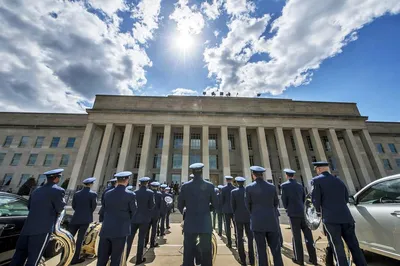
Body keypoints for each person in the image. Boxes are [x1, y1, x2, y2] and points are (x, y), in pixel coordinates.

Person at [311, 161, 367, 266]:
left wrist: (319, 213)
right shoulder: (339, 181)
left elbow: (315, 201)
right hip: (347, 218)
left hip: (331, 219)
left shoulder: (316, 181)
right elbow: (346, 198)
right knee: (354, 245)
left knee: (337, 246)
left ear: (318, 169)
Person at [10, 169, 66, 266]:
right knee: (34, 259)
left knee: (18, 257)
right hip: (42, 230)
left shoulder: (36, 190)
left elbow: (29, 207)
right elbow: (59, 208)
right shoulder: (58, 191)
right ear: (56, 179)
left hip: (27, 229)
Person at [178, 163, 217, 266]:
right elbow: (216, 204)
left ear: (192, 172)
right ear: (201, 172)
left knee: (188, 251)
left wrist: (188, 211)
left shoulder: (185, 186)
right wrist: (207, 210)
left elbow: (179, 205)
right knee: (206, 252)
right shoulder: (210, 186)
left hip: (190, 222)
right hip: (205, 222)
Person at [245, 166, 283, 266]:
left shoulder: (249, 188)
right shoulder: (272, 187)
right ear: (262, 175)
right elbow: (276, 203)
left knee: (261, 251)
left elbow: (247, 205)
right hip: (272, 221)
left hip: (257, 223)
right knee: (276, 251)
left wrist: (255, 214)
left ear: (253, 175)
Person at [97, 171, 136, 266]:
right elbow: (134, 211)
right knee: (116, 259)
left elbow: (105, 209)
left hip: (106, 229)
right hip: (120, 230)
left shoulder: (107, 193)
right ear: (127, 180)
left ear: (117, 181)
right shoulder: (130, 195)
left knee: (101, 259)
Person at [281, 169, 318, 265]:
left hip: (293, 214)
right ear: (293, 176)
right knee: (308, 237)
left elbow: (284, 201)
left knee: (296, 237)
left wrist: (288, 208)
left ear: (286, 175)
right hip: (303, 213)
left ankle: (299, 259)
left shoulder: (284, 186)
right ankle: (313, 259)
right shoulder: (300, 186)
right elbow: (304, 199)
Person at [69, 177, 97, 265]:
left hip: (75, 218)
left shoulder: (77, 193)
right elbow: (93, 207)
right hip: (85, 219)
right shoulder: (93, 194)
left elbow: (74, 205)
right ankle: (75, 259)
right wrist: (87, 212)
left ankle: (65, 256)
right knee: (80, 239)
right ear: (91, 184)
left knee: (70, 238)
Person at [126, 177, 154, 265]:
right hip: (144, 219)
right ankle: (139, 259)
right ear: (147, 183)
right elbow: (151, 206)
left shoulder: (134, 193)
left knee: (129, 240)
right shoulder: (150, 193)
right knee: (141, 239)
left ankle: (124, 258)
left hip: (134, 219)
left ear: (140, 183)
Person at [231, 177, 254, 266]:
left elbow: (233, 206)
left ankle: (242, 259)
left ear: (237, 183)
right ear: (243, 183)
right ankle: (252, 259)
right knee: (250, 238)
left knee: (239, 238)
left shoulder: (234, 192)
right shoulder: (248, 190)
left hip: (238, 217)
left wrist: (235, 214)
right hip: (248, 217)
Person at [221, 175, 236, 248]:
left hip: (226, 210)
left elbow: (222, 200)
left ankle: (229, 242)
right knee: (236, 226)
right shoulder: (235, 188)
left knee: (227, 226)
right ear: (231, 180)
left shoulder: (223, 189)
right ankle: (237, 241)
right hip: (234, 210)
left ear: (226, 180)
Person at [146, 181, 162, 247]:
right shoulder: (159, 194)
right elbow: (160, 205)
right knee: (154, 229)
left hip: (148, 213)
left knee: (147, 229)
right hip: (156, 214)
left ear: (151, 186)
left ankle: (145, 242)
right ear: (158, 187)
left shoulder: (148, 193)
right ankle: (152, 243)